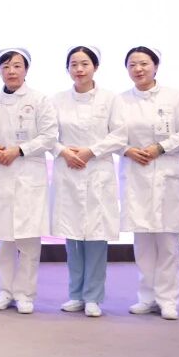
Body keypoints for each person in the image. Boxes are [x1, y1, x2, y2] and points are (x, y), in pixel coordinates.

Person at [113, 46, 179, 320]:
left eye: (144, 64)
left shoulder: (175, 97)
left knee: (168, 242)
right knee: (143, 242)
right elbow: (111, 136)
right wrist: (126, 150)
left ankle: (168, 299)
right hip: (136, 175)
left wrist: (161, 147)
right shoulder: (121, 101)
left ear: (156, 66)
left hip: (167, 174)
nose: (138, 69)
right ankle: (146, 297)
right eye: (132, 65)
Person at [0, 48, 58, 315]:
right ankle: (4, 292)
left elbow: (49, 136)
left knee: (28, 242)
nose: (11, 71)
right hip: (0, 174)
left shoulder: (39, 100)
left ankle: (25, 294)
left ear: (26, 69)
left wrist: (20, 150)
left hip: (28, 175)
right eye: (5, 66)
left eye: (16, 66)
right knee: (4, 242)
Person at [51, 45, 123, 318]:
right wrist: (64, 152)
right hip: (68, 170)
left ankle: (93, 296)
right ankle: (75, 294)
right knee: (72, 236)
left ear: (95, 67)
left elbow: (119, 135)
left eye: (84, 64)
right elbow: (48, 135)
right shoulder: (57, 100)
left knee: (96, 236)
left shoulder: (110, 99)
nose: (79, 69)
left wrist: (91, 151)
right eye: (74, 64)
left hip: (97, 172)